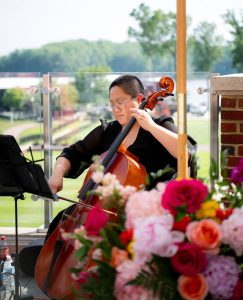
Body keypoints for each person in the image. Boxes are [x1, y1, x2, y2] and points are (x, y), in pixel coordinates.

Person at [46, 74, 197, 238]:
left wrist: (151, 126)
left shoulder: (160, 125)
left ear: (139, 99)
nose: (116, 109)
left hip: (146, 217)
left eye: (120, 102)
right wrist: (57, 173)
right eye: (112, 104)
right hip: (105, 212)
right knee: (59, 223)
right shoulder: (108, 131)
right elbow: (72, 153)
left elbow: (186, 152)